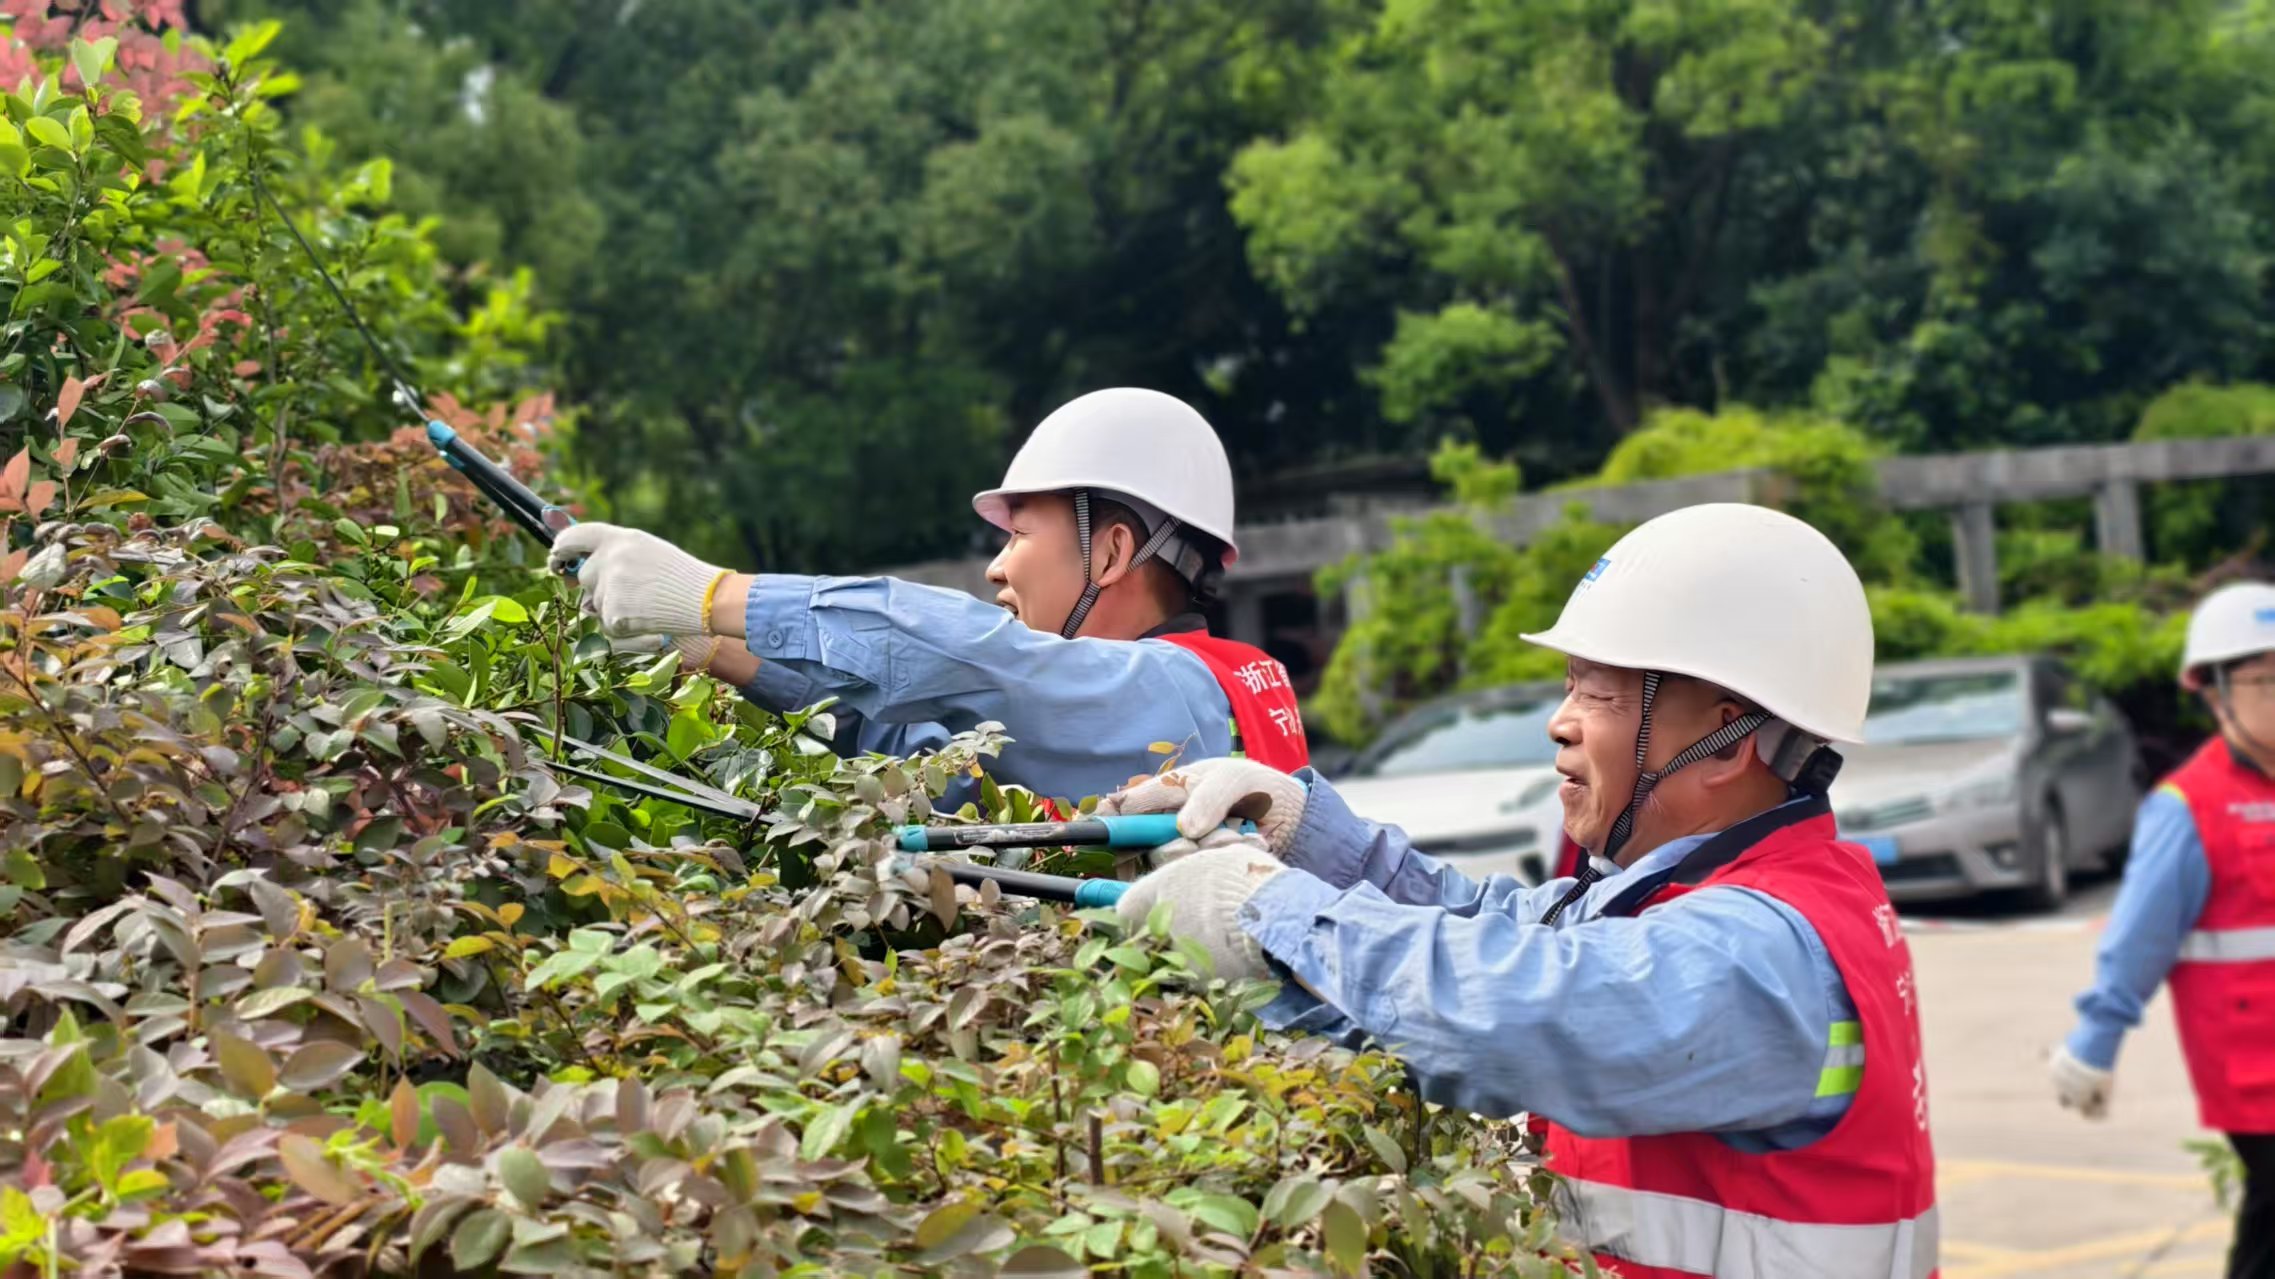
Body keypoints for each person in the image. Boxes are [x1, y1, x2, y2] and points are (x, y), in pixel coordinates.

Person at [1101, 503, 1939, 1278]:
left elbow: (1521, 1006)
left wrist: (1262, 909)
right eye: (1569, 684)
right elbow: (1491, 926)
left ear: (1724, 744)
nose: (1561, 718)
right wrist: (1298, 828)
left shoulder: (1762, 949)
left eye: (1599, 692)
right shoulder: (1692, 894)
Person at [547, 388, 1308, 803]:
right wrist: (721, 652)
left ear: (1111, 552)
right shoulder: (1215, 688)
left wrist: (709, 592)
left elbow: (964, 657)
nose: (996, 569)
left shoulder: (1169, 691)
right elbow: (937, 765)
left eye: (1018, 537)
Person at [2052, 581, 2275, 1279]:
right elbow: (2138, 939)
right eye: (2262, 678)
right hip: (2255, 1067)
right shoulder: (2187, 807)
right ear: (2210, 691)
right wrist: (2095, 1039)